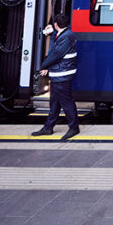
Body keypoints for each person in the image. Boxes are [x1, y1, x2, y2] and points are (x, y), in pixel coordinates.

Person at [31, 12, 79, 141]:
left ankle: (74, 127)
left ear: (56, 24)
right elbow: (55, 50)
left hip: (62, 75)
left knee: (66, 102)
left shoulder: (66, 37)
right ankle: (48, 127)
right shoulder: (63, 34)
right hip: (59, 74)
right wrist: (52, 34)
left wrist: (43, 66)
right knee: (55, 102)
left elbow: (55, 54)